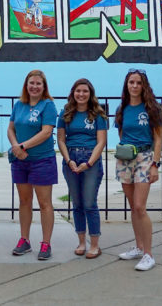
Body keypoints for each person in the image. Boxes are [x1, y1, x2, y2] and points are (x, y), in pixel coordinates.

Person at [115, 69, 162, 271]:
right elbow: (121, 133)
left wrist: (155, 164)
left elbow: (158, 138)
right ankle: (138, 246)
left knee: (140, 206)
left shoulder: (151, 108)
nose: (134, 86)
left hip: (145, 157)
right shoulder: (123, 108)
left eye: (138, 82)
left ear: (144, 86)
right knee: (132, 206)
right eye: (131, 82)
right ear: (126, 85)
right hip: (125, 158)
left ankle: (148, 254)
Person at [7, 70, 58, 260]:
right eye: (31, 83)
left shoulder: (48, 106)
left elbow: (46, 133)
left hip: (42, 160)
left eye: (38, 83)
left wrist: (23, 146)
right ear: (26, 85)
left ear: (44, 87)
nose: (34, 86)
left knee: (44, 203)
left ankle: (45, 243)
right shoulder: (19, 105)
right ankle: (24, 240)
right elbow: (11, 128)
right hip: (20, 161)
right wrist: (15, 146)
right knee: (24, 202)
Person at [57, 78, 107, 259]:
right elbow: (61, 139)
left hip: (90, 159)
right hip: (70, 158)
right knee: (77, 204)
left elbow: (101, 141)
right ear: (73, 93)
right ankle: (81, 242)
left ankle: (95, 245)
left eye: (85, 91)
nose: (81, 94)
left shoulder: (98, 115)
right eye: (78, 91)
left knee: (89, 203)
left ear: (90, 94)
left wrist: (89, 163)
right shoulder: (65, 113)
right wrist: (69, 160)